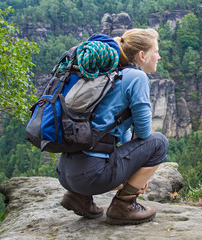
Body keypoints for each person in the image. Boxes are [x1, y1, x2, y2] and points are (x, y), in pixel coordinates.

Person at [56, 28, 168, 225]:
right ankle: (123, 205)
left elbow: (120, 131)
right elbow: (143, 133)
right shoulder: (138, 78)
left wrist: (130, 170)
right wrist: (134, 181)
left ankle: (79, 197)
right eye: (156, 51)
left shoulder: (111, 75)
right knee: (159, 143)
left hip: (66, 174)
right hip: (91, 176)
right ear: (142, 56)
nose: (159, 56)